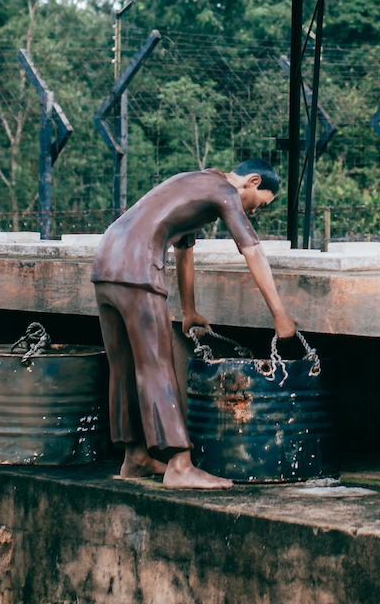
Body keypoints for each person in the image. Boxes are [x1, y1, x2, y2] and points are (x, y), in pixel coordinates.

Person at [91, 158, 298, 489]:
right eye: (259, 205)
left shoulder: (194, 182)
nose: (253, 212)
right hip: (136, 267)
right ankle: (180, 465)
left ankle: (135, 457)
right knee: (156, 365)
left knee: (124, 365)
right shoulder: (224, 191)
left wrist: (189, 310)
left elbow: (183, 249)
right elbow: (252, 251)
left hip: (106, 262)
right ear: (253, 182)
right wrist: (279, 314)